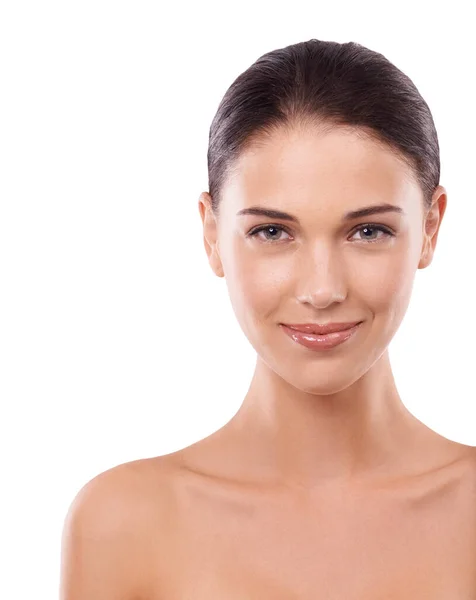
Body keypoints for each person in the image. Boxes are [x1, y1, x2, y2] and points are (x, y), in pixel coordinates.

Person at [60, 38, 476, 598]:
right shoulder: (123, 524)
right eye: (272, 232)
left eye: (368, 231)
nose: (323, 289)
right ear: (212, 234)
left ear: (430, 228)